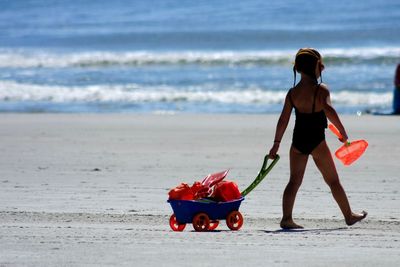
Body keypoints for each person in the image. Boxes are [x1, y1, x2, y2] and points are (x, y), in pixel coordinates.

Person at [268, 48, 367, 229]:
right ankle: (349, 215)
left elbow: (283, 120)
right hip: (317, 142)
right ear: (316, 67)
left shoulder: (292, 93)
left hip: (297, 142)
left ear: (298, 69)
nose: (323, 68)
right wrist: (342, 131)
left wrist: (276, 144)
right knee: (333, 181)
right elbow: (329, 110)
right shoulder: (321, 90)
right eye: (321, 65)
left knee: (294, 181)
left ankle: (286, 218)